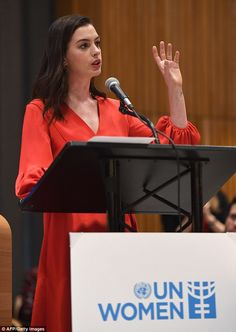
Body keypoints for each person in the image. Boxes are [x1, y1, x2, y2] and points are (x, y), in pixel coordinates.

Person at [15, 14, 200, 331]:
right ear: (62, 57)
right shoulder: (41, 111)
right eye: (84, 45)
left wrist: (175, 88)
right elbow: (33, 180)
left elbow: (174, 144)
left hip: (118, 240)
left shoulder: (117, 110)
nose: (96, 52)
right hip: (70, 243)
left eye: (97, 43)